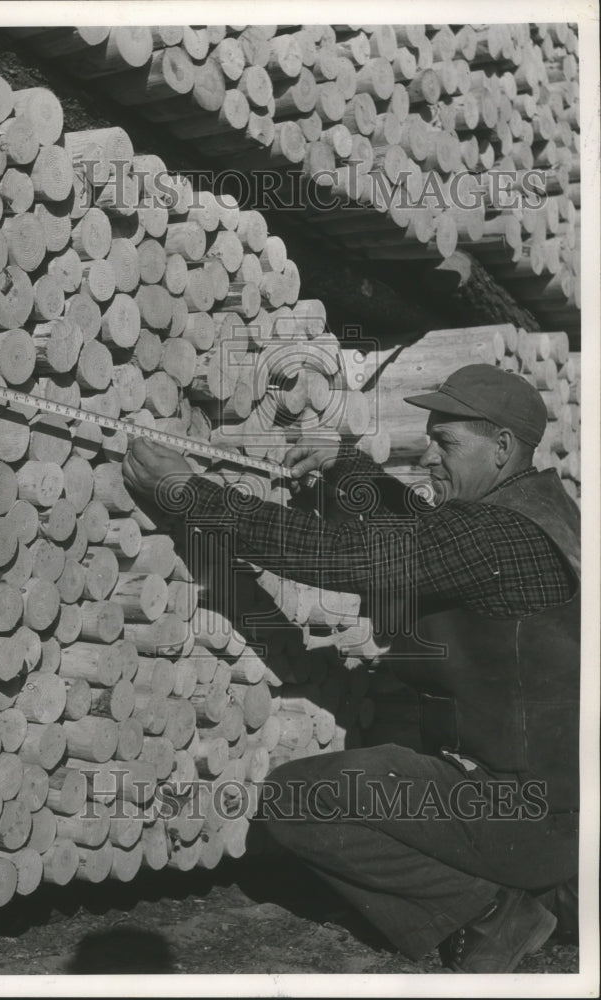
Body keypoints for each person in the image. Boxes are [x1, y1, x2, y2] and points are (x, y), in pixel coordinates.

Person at [122, 363, 580, 974]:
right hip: (555, 806)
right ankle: (552, 889)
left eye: (446, 443)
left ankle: (492, 915)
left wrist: (193, 494)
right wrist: (344, 464)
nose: (430, 458)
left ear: (502, 447)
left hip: (518, 809)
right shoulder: (540, 512)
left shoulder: (498, 535)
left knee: (295, 799)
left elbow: (344, 557)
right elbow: (421, 528)